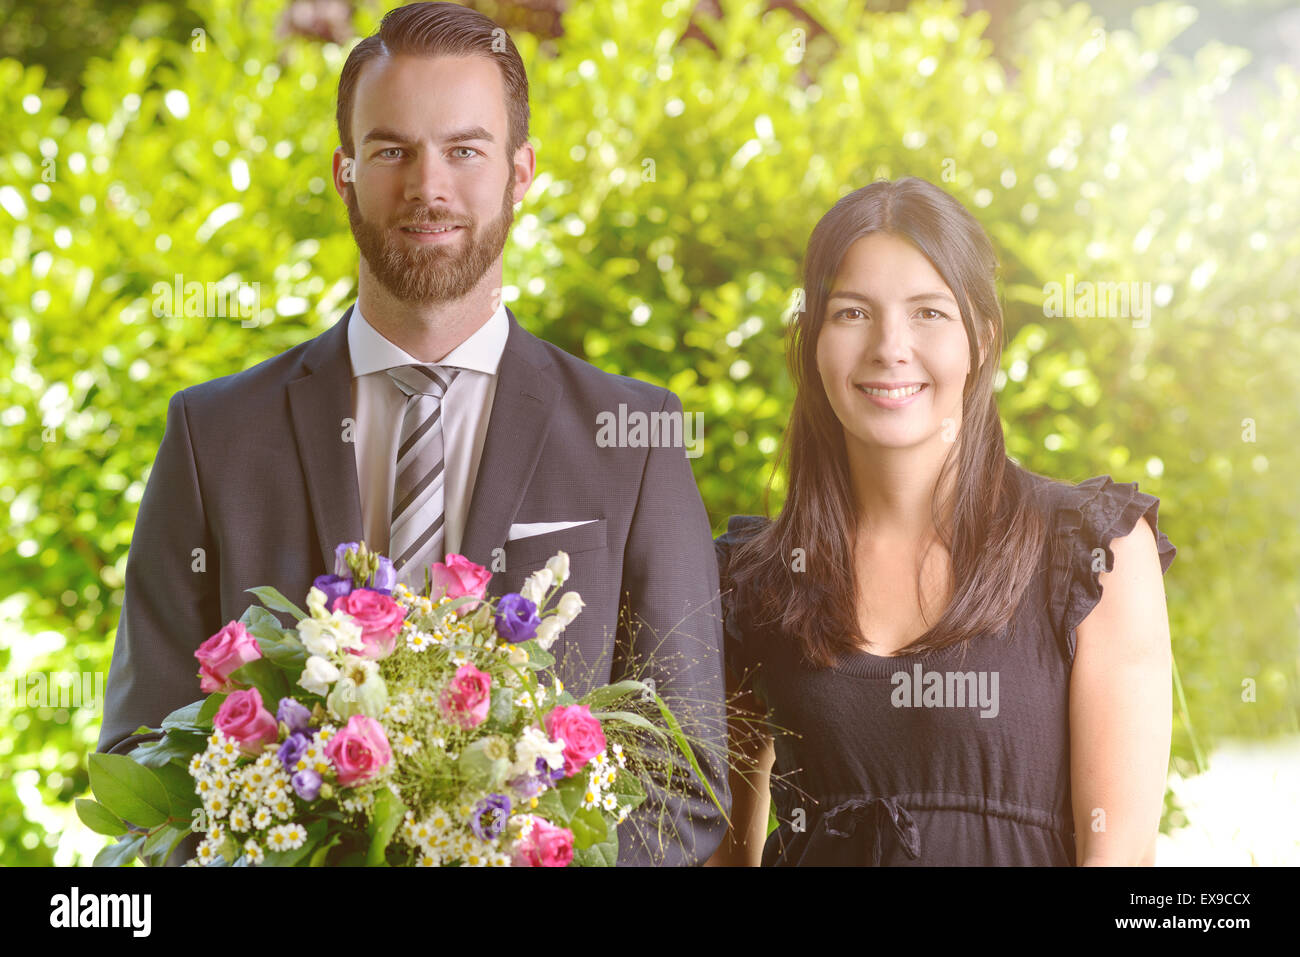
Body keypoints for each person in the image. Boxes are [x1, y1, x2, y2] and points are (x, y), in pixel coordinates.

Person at [97, 1, 729, 867]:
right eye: (392, 150)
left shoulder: (636, 439)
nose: (428, 187)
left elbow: (683, 779)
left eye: (464, 150)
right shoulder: (214, 437)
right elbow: (143, 761)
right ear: (344, 170)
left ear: (521, 170)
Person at [706, 177, 1176, 866]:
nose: (890, 348)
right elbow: (721, 853)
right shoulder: (753, 577)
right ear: (812, 340)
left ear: (980, 340)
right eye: (852, 313)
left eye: (928, 313)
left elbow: (1121, 857)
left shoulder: (1094, 553)